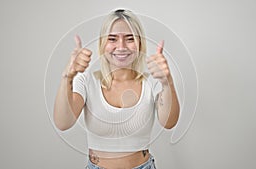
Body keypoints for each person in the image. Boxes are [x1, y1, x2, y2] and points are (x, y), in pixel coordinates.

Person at [53, 9, 180, 169]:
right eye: (112, 39)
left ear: (140, 43)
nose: (121, 47)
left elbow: (169, 122)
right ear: (102, 44)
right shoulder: (87, 79)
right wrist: (67, 77)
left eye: (129, 39)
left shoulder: (152, 81)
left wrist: (167, 82)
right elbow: (63, 123)